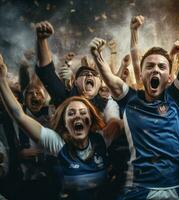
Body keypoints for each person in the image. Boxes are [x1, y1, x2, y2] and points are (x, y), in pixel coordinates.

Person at [90, 5, 179, 199]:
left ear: (169, 76)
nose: (155, 70)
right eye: (150, 66)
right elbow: (111, 79)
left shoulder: (176, 97)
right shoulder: (130, 99)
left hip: (176, 187)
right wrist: (97, 56)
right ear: (142, 73)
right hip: (138, 189)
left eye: (162, 66)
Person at [0, 53, 121, 200]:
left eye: (83, 113)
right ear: (64, 122)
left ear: (91, 119)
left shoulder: (101, 140)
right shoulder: (58, 144)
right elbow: (19, 115)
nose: (77, 116)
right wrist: (1, 80)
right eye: (71, 113)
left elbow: (121, 121)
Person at [34, 21, 120, 123]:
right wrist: (42, 40)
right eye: (83, 74)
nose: (89, 74)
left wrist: (98, 55)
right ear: (75, 82)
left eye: (94, 75)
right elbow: (47, 73)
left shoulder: (107, 102)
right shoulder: (65, 99)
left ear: (100, 84)